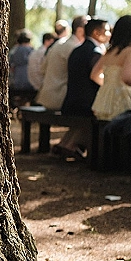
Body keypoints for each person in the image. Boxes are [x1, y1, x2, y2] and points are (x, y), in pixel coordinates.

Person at [54, 18, 110, 158]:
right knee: (102, 113)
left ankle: (66, 144)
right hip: (86, 105)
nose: (109, 34)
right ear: (96, 33)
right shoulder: (96, 52)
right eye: (107, 30)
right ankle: (72, 146)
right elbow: (96, 78)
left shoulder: (76, 50)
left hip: (70, 102)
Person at [36, 15, 89, 110]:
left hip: (46, 97)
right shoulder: (75, 48)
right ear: (80, 30)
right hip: (61, 99)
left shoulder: (58, 43)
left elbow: (42, 69)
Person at [91, 15, 131, 121]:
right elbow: (127, 77)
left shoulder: (109, 52)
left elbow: (94, 75)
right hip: (123, 98)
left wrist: (109, 85)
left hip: (104, 100)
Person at [8, 29, 35, 108]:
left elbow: (10, 65)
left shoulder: (14, 51)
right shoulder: (32, 51)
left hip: (17, 82)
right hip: (29, 83)